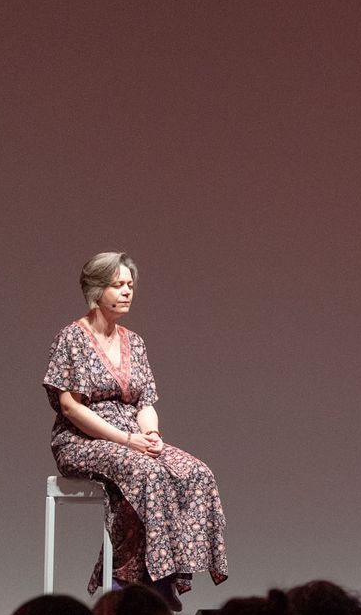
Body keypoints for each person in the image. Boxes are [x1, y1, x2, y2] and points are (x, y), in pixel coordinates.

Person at [42, 253, 228, 596]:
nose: (127, 291)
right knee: (147, 473)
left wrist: (151, 434)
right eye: (118, 285)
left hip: (132, 436)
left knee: (196, 473)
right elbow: (70, 407)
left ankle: (166, 575)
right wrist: (127, 440)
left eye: (130, 284)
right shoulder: (72, 338)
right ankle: (131, 581)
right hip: (83, 440)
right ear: (96, 290)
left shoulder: (135, 342)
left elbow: (145, 403)